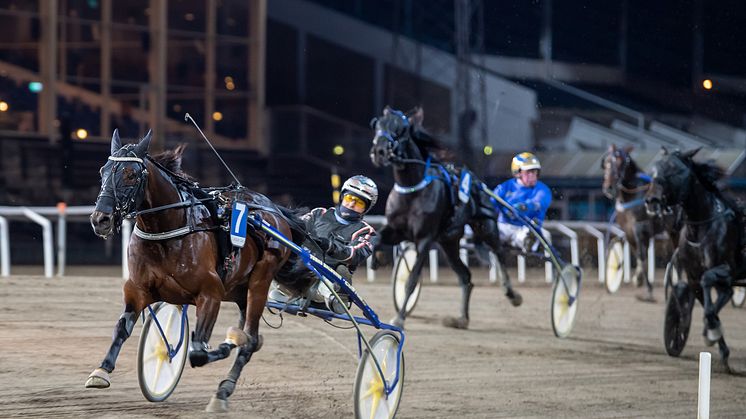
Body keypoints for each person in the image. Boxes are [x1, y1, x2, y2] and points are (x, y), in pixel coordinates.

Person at [269, 175, 378, 313]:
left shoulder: (366, 231)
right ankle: (297, 294)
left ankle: (336, 296)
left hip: (327, 279)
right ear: (342, 197)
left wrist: (331, 246)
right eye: (350, 199)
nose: (351, 205)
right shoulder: (318, 214)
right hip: (299, 273)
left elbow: (355, 254)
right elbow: (294, 228)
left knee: (334, 275)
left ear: (366, 208)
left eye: (359, 203)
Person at [491, 152, 552, 252]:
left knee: (542, 235)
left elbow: (539, 203)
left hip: (527, 228)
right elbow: (491, 204)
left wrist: (524, 207)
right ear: (518, 173)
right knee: (490, 229)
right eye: (529, 172)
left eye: (535, 172)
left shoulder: (542, 189)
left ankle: (528, 242)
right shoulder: (504, 187)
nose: (533, 175)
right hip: (504, 227)